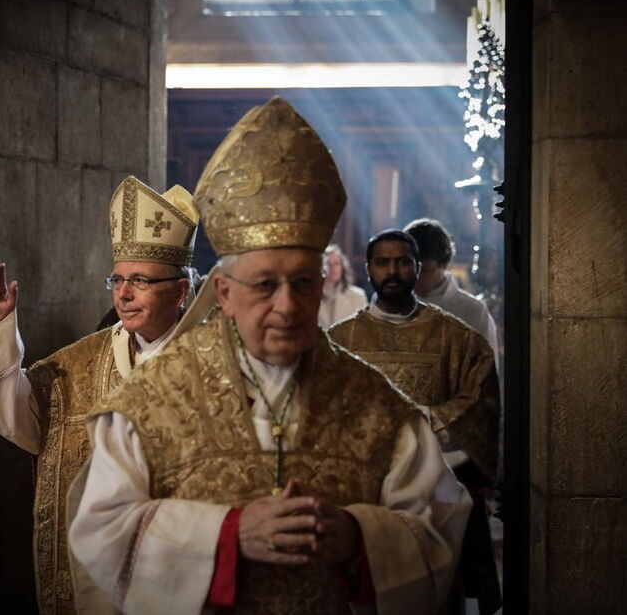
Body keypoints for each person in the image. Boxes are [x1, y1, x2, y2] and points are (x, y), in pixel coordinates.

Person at [69, 98, 471, 615]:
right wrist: (227, 535)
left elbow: (440, 525)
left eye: (303, 283)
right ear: (225, 294)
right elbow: (102, 529)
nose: (286, 306)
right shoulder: (147, 401)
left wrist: (359, 537)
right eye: (264, 285)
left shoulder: (377, 404)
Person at [0, 176, 198, 615]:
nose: (124, 294)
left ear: (180, 290)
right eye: (117, 280)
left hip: (182, 561)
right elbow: (15, 411)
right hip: (93, 568)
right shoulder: (78, 362)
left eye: (141, 280)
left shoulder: (214, 362)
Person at [329, 229, 501, 613]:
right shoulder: (339, 340)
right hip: (363, 494)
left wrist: (420, 422)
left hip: (435, 493)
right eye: (383, 262)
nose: (393, 271)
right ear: (368, 268)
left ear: (417, 266)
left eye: (403, 262)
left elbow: (481, 402)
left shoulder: (456, 339)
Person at [403, 218, 500, 364]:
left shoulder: (472, 311)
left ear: (444, 263)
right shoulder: (392, 306)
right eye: (409, 268)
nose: (415, 277)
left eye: (424, 271)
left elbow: (486, 373)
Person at [319, 243, 368, 327]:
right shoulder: (311, 296)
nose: (333, 268)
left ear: (342, 266)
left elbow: (364, 328)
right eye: (328, 264)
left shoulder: (357, 296)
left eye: (336, 264)